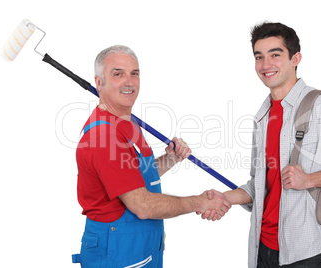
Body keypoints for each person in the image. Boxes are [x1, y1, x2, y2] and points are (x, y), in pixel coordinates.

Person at [201, 22, 321, 267]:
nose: (266, 65)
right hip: (262, 249)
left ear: (295, 58)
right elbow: (262, 187)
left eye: (275, 55)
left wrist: (310, 180)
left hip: (308, 254)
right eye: (259, 57)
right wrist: (223, 198)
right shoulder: (263, 116)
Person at [72, 45, 231, 268]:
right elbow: (143, 206)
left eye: (134, 73)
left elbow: (132, 176)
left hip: (137, 248)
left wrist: (170, 159)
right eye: (118, 74)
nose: (129, 82)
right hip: (116, 253)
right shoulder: (104, 136)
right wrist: (200, 201)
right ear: (99, 83)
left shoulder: (126, 122)